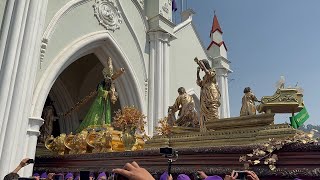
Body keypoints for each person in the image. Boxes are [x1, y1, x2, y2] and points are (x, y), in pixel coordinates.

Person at [76, 57, 125, 132]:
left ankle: (104, 125)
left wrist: (113, 94)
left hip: (106, 101)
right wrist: (107, 92)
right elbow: (100, 90)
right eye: (107, 77)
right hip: (100, 100)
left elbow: (114, 93)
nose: (108, 79)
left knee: (106, 112)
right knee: (97, 113)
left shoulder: (111, 84)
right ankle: (97, 125)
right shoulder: (102, 83)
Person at [195, 57, 221, 131]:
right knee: (204, 112)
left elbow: (210, 74)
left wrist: (202, 65)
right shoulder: (204, 77)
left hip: (211, 93)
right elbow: (200, 83)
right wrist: (197, 73)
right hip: (204, 94)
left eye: (202, 66)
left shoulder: (212, 70)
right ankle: (205, 129)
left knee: (212, 109)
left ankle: (214, 128)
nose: (201, 68)